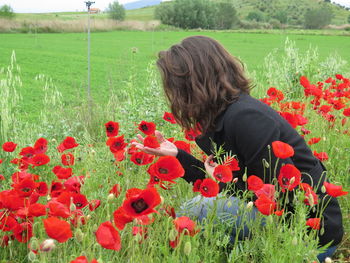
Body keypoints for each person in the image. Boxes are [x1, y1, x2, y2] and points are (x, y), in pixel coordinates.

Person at [133, 35, 343, 261]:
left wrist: (221, 182)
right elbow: (222, 185)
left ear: (192, 82)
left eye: (173, 86)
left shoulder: (246, 118)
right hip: (284, 221)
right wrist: (177, 155)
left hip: (308, 238)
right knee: (201, 208)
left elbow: (282, 195)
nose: (172, 94)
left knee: (196, 209)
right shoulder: (220, 116)